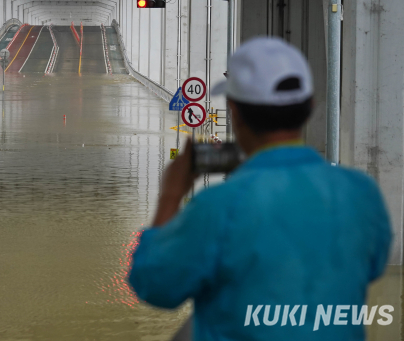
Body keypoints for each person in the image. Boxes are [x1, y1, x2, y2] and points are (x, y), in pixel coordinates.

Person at [128, 37, 392, 341]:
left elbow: (156, 286)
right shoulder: (360, 192)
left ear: (235, 113)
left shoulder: (219, 205)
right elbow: (371, 266)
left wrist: (171, 194)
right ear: (310, 107)